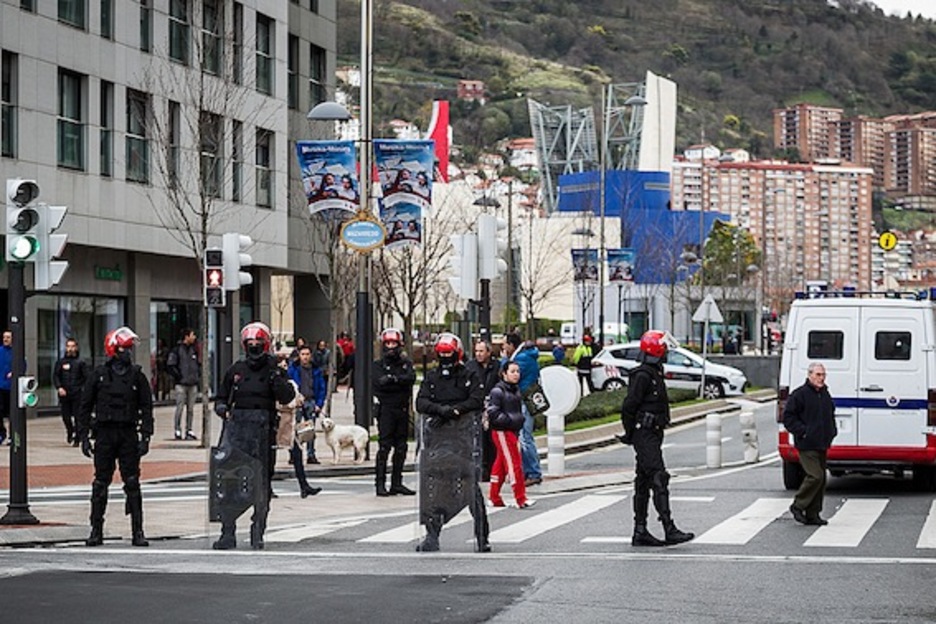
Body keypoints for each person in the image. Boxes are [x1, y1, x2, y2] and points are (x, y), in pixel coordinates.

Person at [212, 321, 295, 550]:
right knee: (230, 482)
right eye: (250, 343)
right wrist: (221, 409)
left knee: (262, 485)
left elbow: (287, 397)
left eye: (258, 342)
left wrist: (277, 376)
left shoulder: (275, 369)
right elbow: (221, 397)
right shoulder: (236, 370)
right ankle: (227, 532)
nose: (255, 346)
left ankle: (258, 530)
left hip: (263, 434)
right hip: (237, 433)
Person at [76, 326, 154, 547]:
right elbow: (84, 406)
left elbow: (147, 407)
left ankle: (138, 531)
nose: (128, 354)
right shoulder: (98, 375)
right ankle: (96, 530)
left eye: (129, 349)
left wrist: (145, 435)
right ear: (114, 349)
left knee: (132, 482)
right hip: (105, 434)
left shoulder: (137, 376)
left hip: (128, 433)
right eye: (124, 349)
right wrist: (83, 435)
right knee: (101, 483)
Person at [415, 333, 489, 553]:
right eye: (442, 354)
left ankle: (482, 536)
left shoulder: (469, 375)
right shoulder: (432, 377)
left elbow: (476, 400)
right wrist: (440, 410)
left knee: (470, 488)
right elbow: (421, 401)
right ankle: (431, 535)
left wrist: (455, 411)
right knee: (433, 490)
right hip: (436, 440)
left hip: (463, 439)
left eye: (449, 354)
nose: (445, 359)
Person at [619, 330, 694, 547]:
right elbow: (628, 407)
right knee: (659, 477)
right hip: (645, 434)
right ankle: (669, 528)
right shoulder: (642, 375)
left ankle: (640, 530)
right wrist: (631, 434)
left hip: (652, 433)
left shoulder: (653, 372)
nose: (666, 354)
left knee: (643, 482)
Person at [783, 362, 837, 526]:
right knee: (815, 476)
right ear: (810, 375)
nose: (821, 378)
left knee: (821, 480)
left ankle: (813, 513)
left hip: (822, 442)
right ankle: (798, 505)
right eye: (818, 375)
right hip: (806, 444)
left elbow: (830, 414)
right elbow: (788, 418)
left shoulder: (825, 394)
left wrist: (831, 432)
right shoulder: (799, 395)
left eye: (823, 375)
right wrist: (803, 432)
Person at [372, 328, 417, 496]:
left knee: (401, 447)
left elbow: (410, 379)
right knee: (384, 447)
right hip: (386, 410)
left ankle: (397, 482)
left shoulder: (406, 364)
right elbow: (379, 384)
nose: (391, 347)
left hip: (402, 409)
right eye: (388, 343)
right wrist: (397, 381)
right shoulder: (378, 365)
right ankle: (380, 483)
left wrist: (393, 379)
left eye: (394, 343)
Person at [486, 360, 533, 509]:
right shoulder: (498, 391)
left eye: (518, 371)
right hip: (502, 431)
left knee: (500, 465)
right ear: (504, 373)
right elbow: (493, 412)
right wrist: (509, 422)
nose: (516, 374)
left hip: (511, 430)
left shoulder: (515, 390)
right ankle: (520, 498)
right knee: (514, 464)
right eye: (512, 371)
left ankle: (494, 497)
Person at [275, 362, 322, 499]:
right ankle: (268, 488)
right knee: (270, 457)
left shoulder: (290, 382)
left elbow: (298, 396)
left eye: (285, 365)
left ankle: (304, 486)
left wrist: (299, 400)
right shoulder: (276, 384)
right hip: (280, 424)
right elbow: (283, 403)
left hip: (290, 424)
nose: (284, 368)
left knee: (297, 453)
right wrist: (295, 402)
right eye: (282, 366)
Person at [502, 333, 543, 487]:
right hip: (524, 399)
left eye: (505, 344)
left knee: (525, 438)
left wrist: (505, 360)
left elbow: (506, 374)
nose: (503, 347)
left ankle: (533, 472)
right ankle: (528, 472)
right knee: (523, 437)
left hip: (524, 400)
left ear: (512, 345)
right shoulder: (524, 356)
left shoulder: (522, 359)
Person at [466, 340, 499, 481]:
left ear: (488, 352)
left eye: (481, 351)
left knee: (491, 440)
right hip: (476, 408)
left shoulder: (497, 366)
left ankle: (491, 469)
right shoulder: (470, 367)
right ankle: (479, 468)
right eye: (476, 351)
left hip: (492, 408)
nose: (478, 354)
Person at [287, 345, 325, 465]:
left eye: (307, 354)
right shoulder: (293, 369)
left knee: (310, 431)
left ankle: (311, 454)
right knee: (294, 430)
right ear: (299, 355)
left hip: (310, 401)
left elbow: (321, 388)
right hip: (297, 402)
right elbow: (288, 385)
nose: (305, 357)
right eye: (303, 354)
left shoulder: (315, 370)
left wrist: (319, 404)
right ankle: (294, 454)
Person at [53, 338, 89, 446]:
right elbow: (56, 376)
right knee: (66, 417)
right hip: (64, 394)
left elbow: (87, 377)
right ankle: (70, 431)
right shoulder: (61, 362)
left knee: (78, 417)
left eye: (72, 346)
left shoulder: (81, 362)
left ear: (76, 348)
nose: (70, 349)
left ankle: (77, 438)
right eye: (68, 346)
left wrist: (82, 389)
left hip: (77, 393)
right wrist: (59, 387)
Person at [167, 328, 200, 441]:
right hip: (181, 383)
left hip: (192, 383)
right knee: (180, 407)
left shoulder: (194, 349)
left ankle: (189, 430)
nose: (194, 337)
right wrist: (179, 376)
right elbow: (171, 365)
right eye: (192, 335)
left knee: (191, 409)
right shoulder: (176, 350)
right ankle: (177, 429)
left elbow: (198, 364)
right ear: (186, 336)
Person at [0, 330, 11, 444]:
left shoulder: (17, 352)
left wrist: (14, 372)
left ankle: (12, 435)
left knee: (12, 414)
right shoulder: (0, 351)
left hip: (11, 387)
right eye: (4, 337)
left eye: (8, 337)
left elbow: (22, 365)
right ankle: (1, 434)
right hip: (0, 386)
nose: (5, 339)